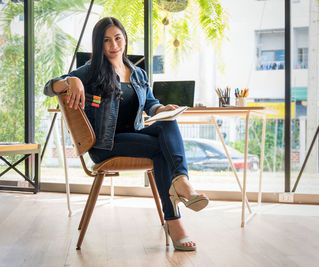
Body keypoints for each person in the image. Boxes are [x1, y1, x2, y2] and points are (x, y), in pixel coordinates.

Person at [43, 17, 208, 251]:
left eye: (118, 38)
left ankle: (180, 182)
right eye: (107, 40)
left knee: (168, 123)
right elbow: (49, 87)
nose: (113, 45)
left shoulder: (138, 73)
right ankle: (177, 210)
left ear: (125, 40)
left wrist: (162, 109)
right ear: (99, 45)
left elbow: (151, 104)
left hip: (134, 138)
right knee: (162, 149)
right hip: (105, 144)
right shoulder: (91, 71)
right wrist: (70, 80)